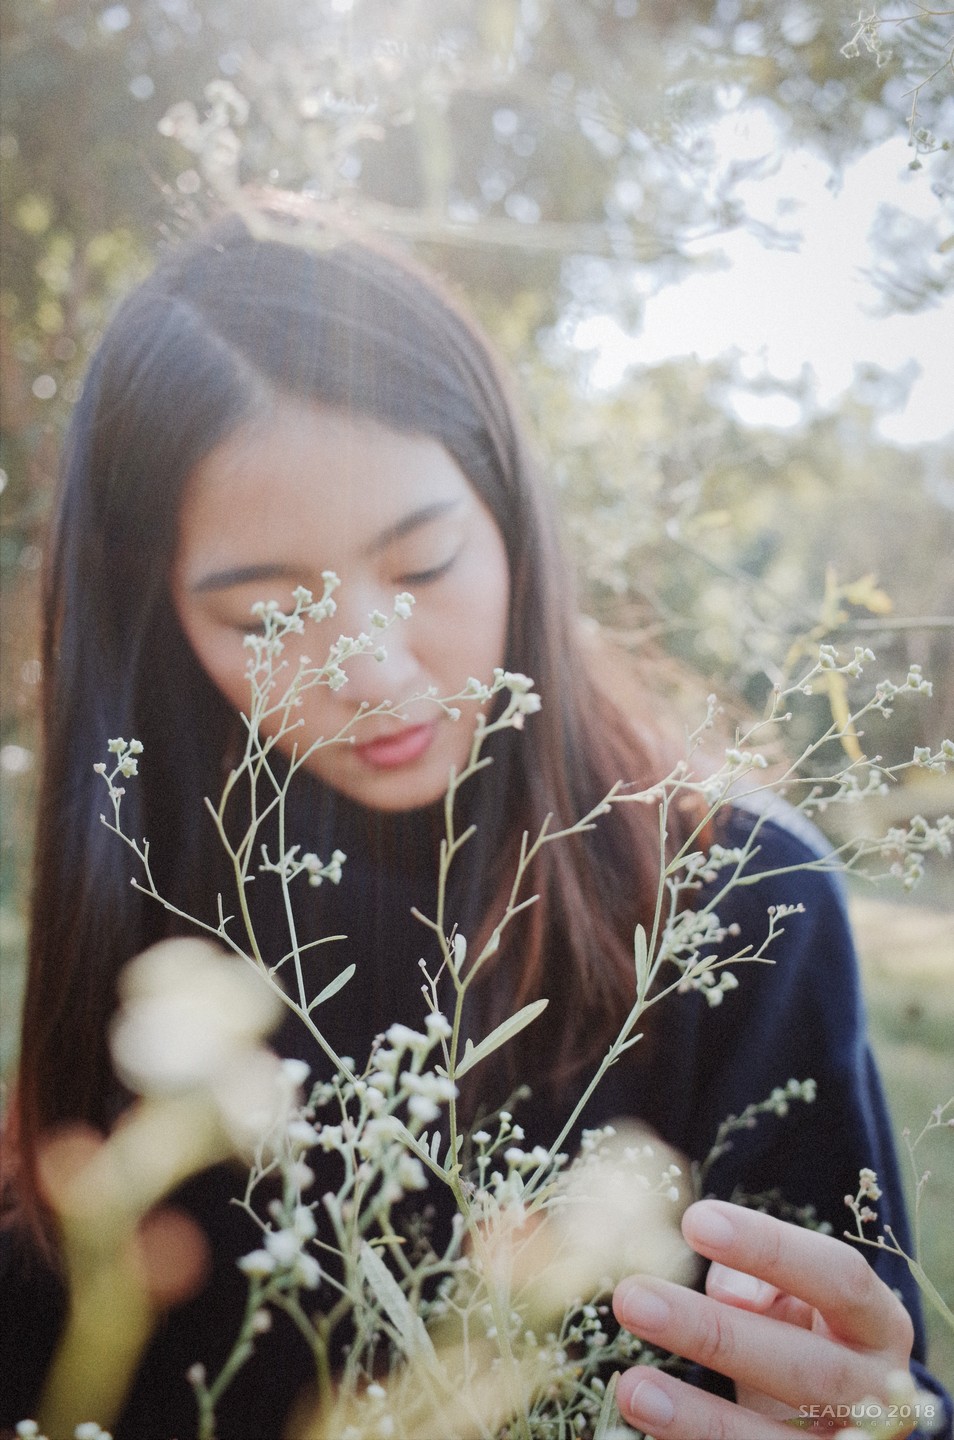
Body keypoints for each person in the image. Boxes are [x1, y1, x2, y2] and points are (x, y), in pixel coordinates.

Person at [0, 197, 949, 1440]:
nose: (373, 672)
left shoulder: (738, 896)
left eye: (424, 564)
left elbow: (840, 1375)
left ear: (508, 513)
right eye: (264, 618)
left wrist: (892, 1422)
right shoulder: (159, 946)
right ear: (156, 628)